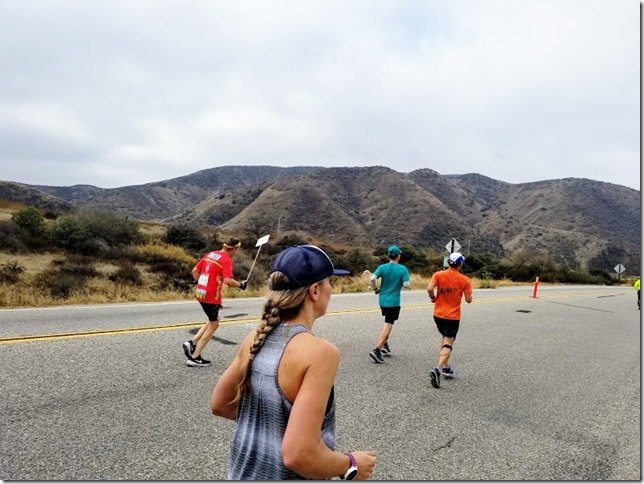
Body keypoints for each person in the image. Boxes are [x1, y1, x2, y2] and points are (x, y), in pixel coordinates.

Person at [211, 245, 377, 480]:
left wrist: (271, 427)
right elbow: (299, 454)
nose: (332, 289)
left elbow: (221, 404)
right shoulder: (320, 353)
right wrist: (350, 464)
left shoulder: (256, 337)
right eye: (329, 281)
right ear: (315, 291)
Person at [182, 237, 247, 367]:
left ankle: (192, 343)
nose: (236, 253)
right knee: (214, 325)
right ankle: (194, 357)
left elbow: (195, 271)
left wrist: (200, 283)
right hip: (212, 296)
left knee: (212, 320)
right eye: (236, 250)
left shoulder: (210, 254)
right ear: (233, 249)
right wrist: (241, 285)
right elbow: (228, 280)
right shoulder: (226, 260)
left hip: (200, 293)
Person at [426, 252, 473, 389]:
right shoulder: (464, 280)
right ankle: (438, 369)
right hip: (452, 316)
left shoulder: (438, 275)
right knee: (448, 341)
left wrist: (433, 297)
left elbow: (429, 288)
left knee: (445, 338)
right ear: (460, 264)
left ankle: (446, 367)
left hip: (438, 314)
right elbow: (469, 300)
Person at [368, 245, 411, 364]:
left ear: (389, 255)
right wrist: (400, 285)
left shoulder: (382, 267)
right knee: (388, 324)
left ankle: (385, 344)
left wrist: (375, 289)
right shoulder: (403, 269)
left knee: (388, 322)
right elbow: (407, 285)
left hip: (382, 300)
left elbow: (372, 278)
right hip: (394, 302)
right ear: (398, 256)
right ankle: (377, 350)